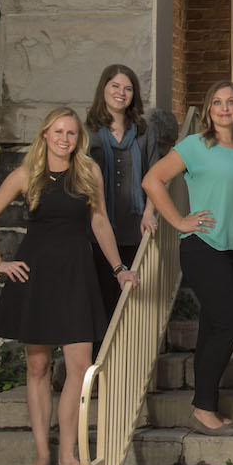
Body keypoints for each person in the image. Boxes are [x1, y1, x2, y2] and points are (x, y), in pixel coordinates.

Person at [0, 107, 139, 465]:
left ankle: (68, 456)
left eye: (71, 133)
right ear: (46, 135)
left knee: (80, 367)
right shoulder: (26, 175)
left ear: (77, 139)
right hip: (35, 276)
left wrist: (118, 268)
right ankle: (41, 455)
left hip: (76, 276)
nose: (65, 138)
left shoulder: (88, 171)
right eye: (58, 132)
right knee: (37, 366)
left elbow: (99, 221)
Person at [142, 80, 233, 436]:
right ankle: (202, 410)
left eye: (231, 102)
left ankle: (207, 406)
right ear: (208, 110)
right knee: (231, 324)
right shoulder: (195, 145)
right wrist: (180, 220)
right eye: (217, 102)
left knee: (213, 328)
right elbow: (153, 180)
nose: (225, 108)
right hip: (205, 246)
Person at [85, 64, 159, 326]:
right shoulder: (87, 131)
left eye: (128, 88)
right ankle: (98, 364)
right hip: (96, 230)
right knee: (101, 303)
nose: (121, 93)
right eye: (115, 86)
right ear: (103, 88)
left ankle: (128, 366)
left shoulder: (144, 131)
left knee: (133, 306)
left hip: (135, 226)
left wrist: (150, 211)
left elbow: (154, 176)